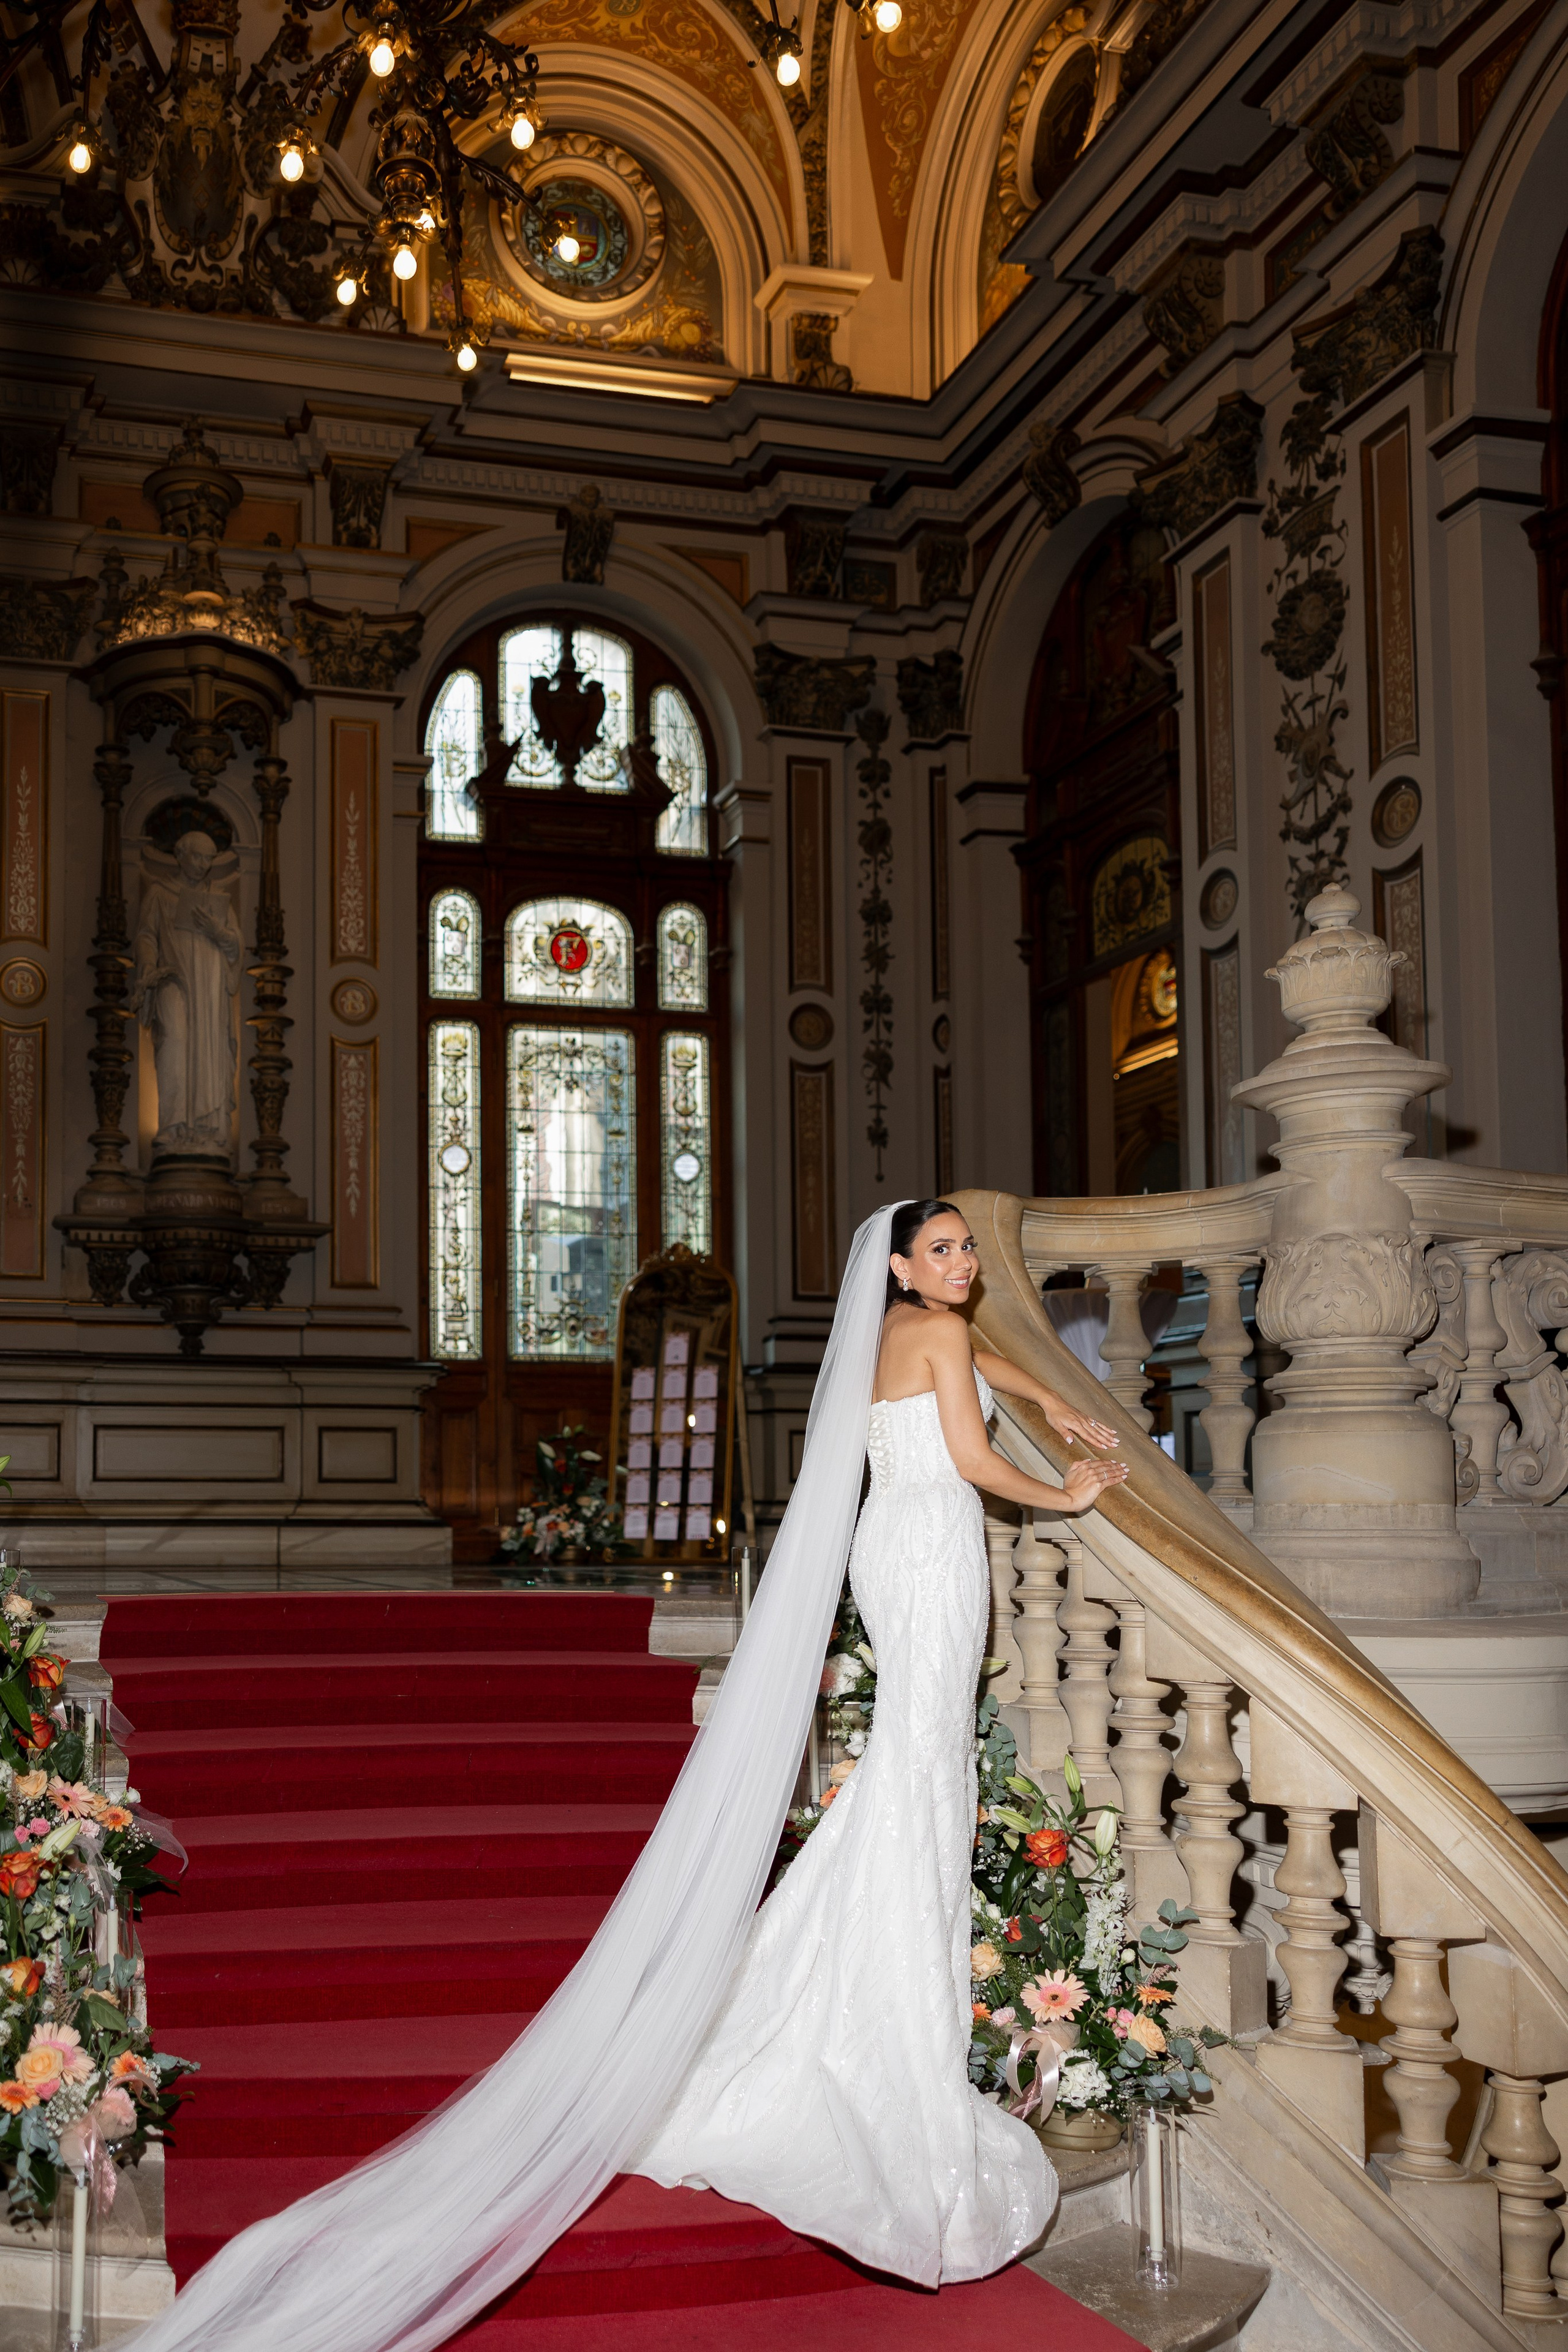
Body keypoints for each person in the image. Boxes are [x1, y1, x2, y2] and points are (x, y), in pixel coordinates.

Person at [123, 1200, 1127, 2352]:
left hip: (892, 1547)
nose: (962, 1263)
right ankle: (879, 2010)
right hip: (937, 1547)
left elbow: (973, 1362)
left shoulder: (900, 1329)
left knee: (911, 1767)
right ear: (901, 1266)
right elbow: (971, 1456)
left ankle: (839, 1981)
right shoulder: (939, 1331)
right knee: (921, 1770)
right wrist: (1067, 1491)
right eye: (941, 1250)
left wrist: (1050, 1396)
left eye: (965, 1249)